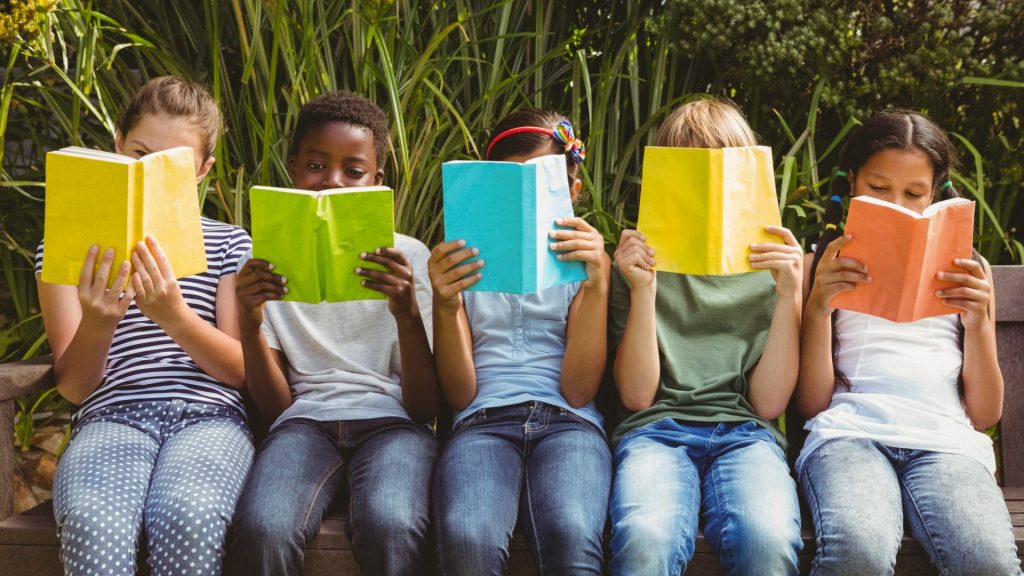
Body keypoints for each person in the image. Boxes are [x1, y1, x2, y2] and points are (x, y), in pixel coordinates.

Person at [38, 76, 253, 576]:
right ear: (118, 145)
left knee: (189, 515)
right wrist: (98, 323)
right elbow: (72, 387)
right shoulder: (67, 248)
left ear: (202, 171)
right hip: (112, 415)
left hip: (209, 419)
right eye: (139, 153)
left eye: (172, 164)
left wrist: (173, 316)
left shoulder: (228, 245)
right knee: (94, 521)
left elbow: (242, 371)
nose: (148, 169)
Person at [796, 109, 1021, 575]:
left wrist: (978, 323)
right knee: (856, 549)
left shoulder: (968, 271)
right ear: (852, 182)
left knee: (988, 562)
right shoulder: (820, 264)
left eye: (914, 194)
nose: (897, 204)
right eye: (879, 190)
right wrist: (818, 306)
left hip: (946, 444)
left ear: (935, 194)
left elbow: (984, 414)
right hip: (850, 437)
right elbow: (813, 404)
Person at [225, 90, 439, 576]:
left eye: (354, 170)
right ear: (294, 169)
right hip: (304, 423)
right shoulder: (260, 265)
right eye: (316, 166)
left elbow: (425, 408)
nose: (333, 182)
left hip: (394, 424)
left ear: (377, 181)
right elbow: (276, 406)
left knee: (393, 522)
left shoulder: (409, 258)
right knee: (263, 527)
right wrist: (250, 322)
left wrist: (405, 312)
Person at [607, 97, 804, 576]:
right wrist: (645, 290)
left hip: (746, 435)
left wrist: (788, 297)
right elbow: (636, 395)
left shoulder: (771, 266)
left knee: (769, 540)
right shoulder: (636, 265)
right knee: (645, 540)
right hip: (655, 432)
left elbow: (769, 404)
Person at [429, 109, 612, 575]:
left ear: (572, 192)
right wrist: (446, 304)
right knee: (468, 536)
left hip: (569, 421)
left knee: (570, 532)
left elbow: (579, 390)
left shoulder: (583, 267)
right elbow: (459, 394)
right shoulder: (463, 262)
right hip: (481, 421)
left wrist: (597, 285)